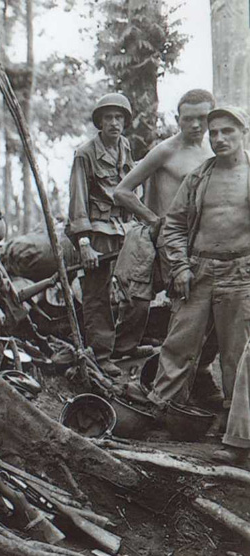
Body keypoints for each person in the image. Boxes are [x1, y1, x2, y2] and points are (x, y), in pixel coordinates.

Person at [114, 89, 223, 406]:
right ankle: (164, 392)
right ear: (178, 120)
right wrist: (153, 220)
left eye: (202, 119)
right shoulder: (165, 150)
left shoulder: (212, 154)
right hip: (169, 245)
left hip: (203, 246)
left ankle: (199, 375)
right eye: (188, 119)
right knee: (183, 313)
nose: (195, 125)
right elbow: (122, 191)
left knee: (213, 314)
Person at [147, 107, 250, 434]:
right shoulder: (199, 176)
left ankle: (236, 431)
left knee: (236, 354)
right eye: (214, 132)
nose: (219, 138)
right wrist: (179, 266)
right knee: (179, 343)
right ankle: (160, 413)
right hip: (197, 271)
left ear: (243, 132)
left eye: (227, 131)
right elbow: (173, 224)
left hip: (240, 274)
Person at [67, 92, 144, 377]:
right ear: (99, 122)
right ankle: (100, 354)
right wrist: (84, 243)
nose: (114, 122)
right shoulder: (85, 153)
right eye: (108, 118)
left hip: (126, 229)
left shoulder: (125, 147)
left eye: (119, 117)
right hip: (97, 232)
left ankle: (125, 346)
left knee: (136, 287)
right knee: (97, 294)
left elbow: (131, 189)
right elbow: (77, 199)